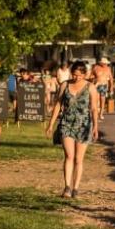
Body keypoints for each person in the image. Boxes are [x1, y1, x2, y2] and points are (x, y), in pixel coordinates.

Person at [45, 60, 99, 198]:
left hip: (84, 125)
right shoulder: (65, 85)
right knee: (69, 156)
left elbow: (93, 108)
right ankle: (67, 187)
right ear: (71, 73)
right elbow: (57, 104)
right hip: (67, 123)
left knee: (79, 159)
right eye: (74, 75)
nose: (77, 78)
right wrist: (51, 124)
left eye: (80, 75)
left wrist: (95, 127)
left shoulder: (90, 87)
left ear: (85, 74)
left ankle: (76, 188)